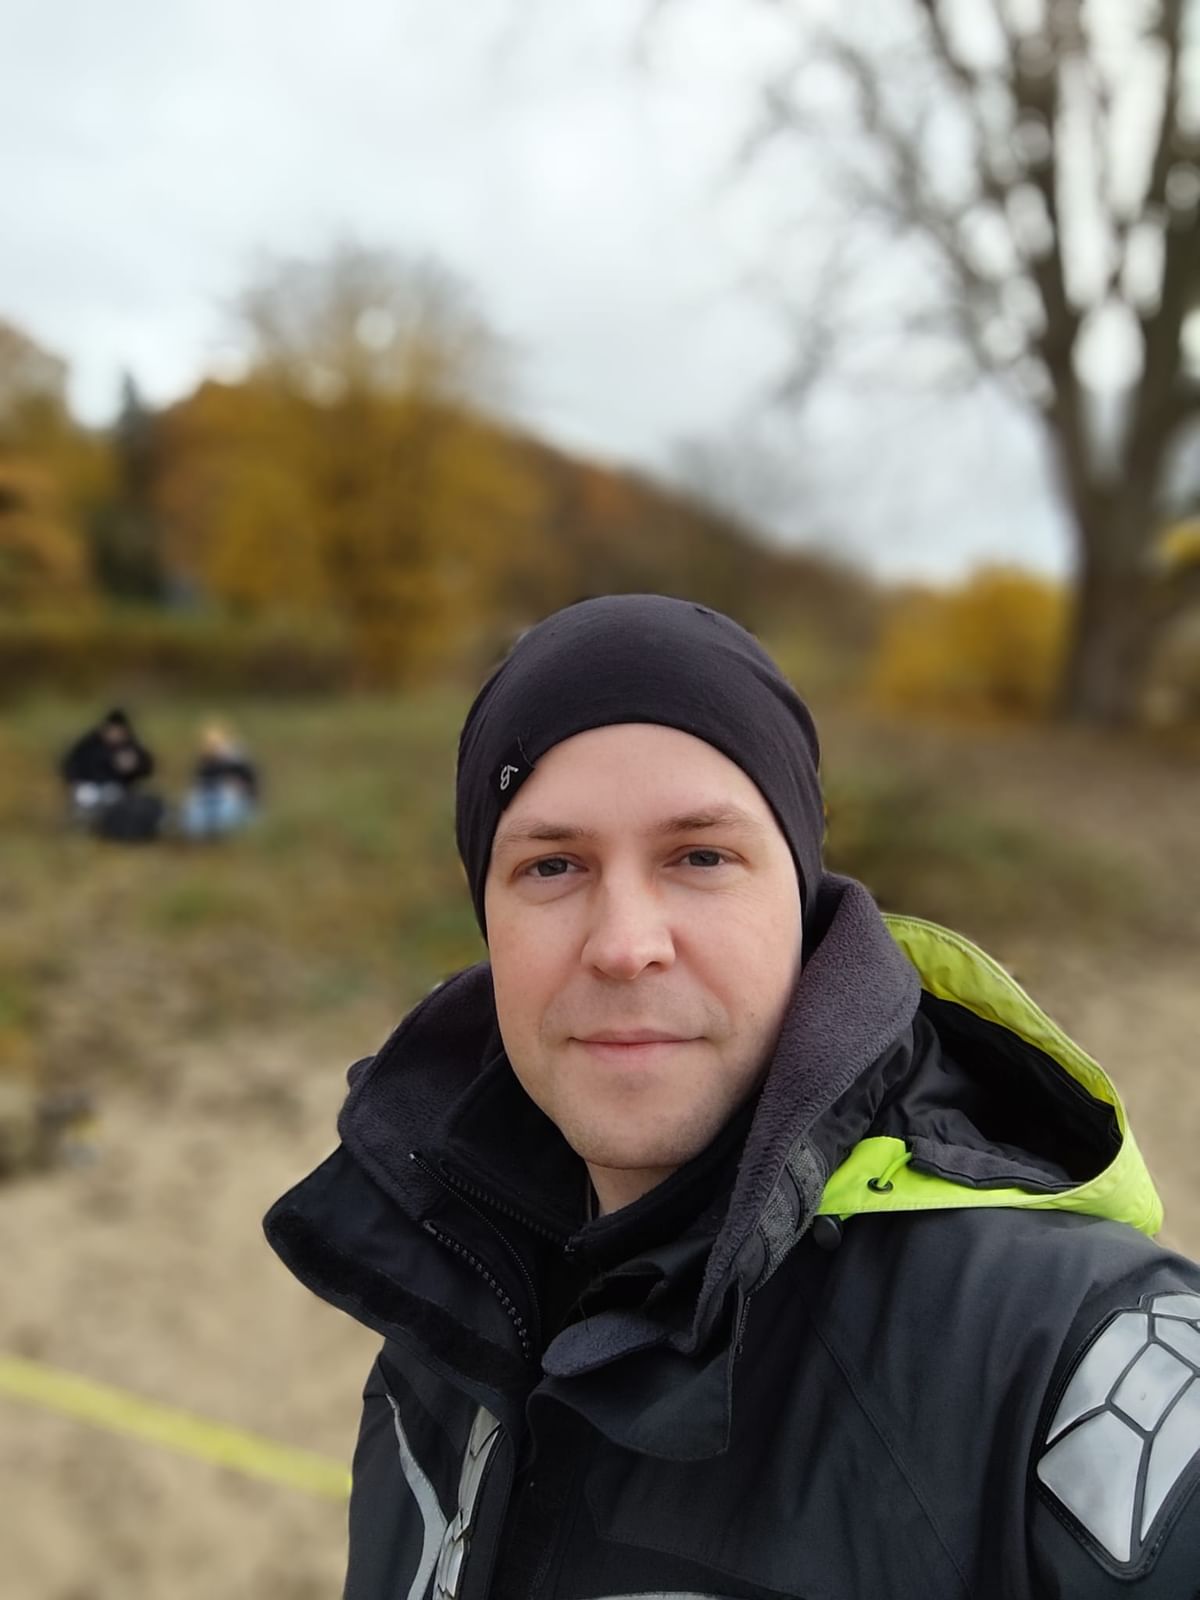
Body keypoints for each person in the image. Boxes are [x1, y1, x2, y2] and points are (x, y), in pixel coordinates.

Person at [265, 595, 1200, 1600]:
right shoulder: (445, 1304)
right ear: (486, 917)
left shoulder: (1072, 1359)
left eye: (701, 857)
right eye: (552, 865)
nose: (625, 944)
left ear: (799, 895)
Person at [58, 707, 163, 840]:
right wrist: (76, 781)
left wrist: (134, 766)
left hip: (116, 791)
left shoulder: (130, 747)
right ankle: (84, 827)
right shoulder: (89, 744)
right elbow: (70, 765)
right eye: (112, 730)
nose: (115, 734)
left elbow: (147, 767)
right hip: (88, 788)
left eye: (119, 731)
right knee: (85, 799)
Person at [180, 721, 259, 840]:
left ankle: (217, 833)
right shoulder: (205, 763)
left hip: (236, 804)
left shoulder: (239, 763)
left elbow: (250, 792)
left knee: (226, 803)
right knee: (194, 805)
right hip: (210, 801)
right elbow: (199, 787)